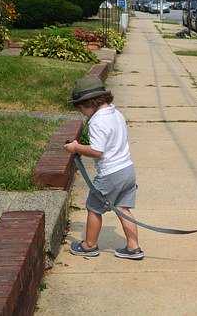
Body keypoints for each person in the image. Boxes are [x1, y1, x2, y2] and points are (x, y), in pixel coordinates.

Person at [64, 76, 144, 260]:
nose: (82, 113)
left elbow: (97, 151)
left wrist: (76, 148)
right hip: (127, 170)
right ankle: (133, 247)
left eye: (81, 109)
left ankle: (89, 245)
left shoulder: (97, 121)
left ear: (89, 104)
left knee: (94, 208)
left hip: (110, 174)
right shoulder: (116, 114)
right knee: (123, 208)